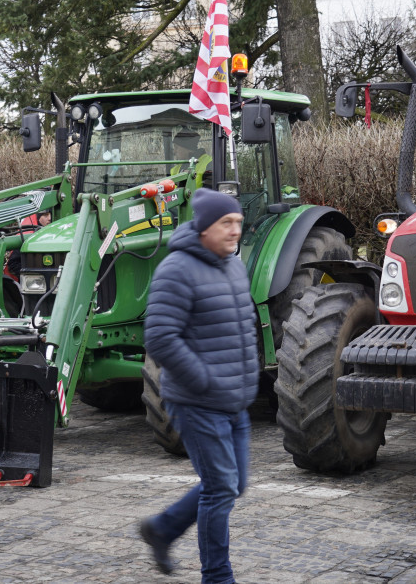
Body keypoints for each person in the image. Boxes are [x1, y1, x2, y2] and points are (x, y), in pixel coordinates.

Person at [139, 188, 257, 583]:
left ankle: (162, 529)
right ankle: (217, 576)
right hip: (198, 401)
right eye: (226, 223)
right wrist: (202, 379)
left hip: (235, 400)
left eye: (238, 222)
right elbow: (160, 338)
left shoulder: (233, 265)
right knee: (220, 488)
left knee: (233, 484)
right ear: (204, 227)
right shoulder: (176, 269)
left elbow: (242, 328)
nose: (235, 230)